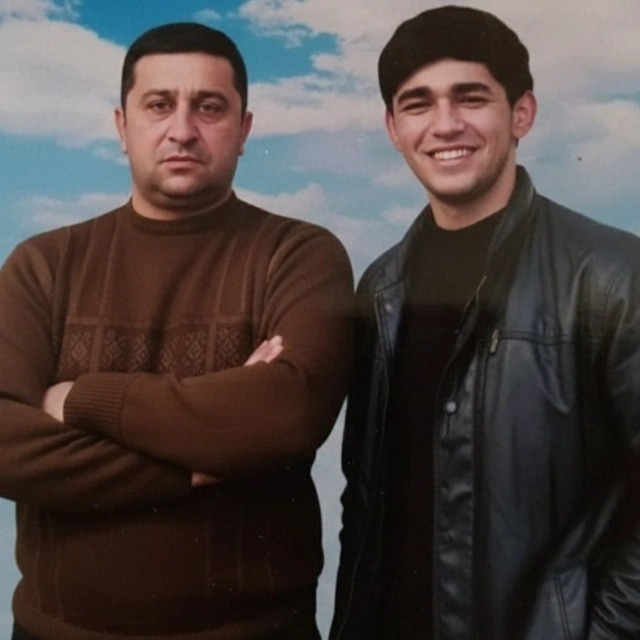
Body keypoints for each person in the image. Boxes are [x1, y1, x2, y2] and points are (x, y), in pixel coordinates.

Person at [0, 22, 353, 640]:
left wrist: (82, 399)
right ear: (123, 125)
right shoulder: (44, 264)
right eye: (159, 105)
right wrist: (193, 465)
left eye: (209, 107)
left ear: (244, 129)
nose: (183, 129)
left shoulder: (298, 254)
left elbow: (288, 414)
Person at [331, 5, 640, 640]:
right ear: (393, 128)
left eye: (470, 97)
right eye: (418, 103)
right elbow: (363, 499)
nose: (445, 124)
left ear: (521, 113)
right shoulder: (381, 288)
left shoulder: (613, 275)